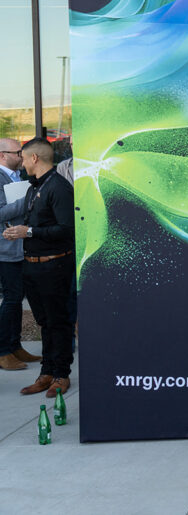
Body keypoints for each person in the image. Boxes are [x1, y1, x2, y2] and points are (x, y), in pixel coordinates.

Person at [1, 138, 74, 397]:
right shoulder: (33, 187)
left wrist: (28, 231)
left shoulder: (59, 187)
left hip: (54, 266)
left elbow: (67, 229)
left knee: (58, 322)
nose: (21, 162)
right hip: (32, 267)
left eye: (23, 157)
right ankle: (46, 372)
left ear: (34, 159)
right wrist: (20, 233)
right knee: (44, 323)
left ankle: (61, 374)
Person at [0, 139, 41, 371]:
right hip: (5, 250)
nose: (22, 155)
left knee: (17, 299)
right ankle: (3, 350)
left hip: (21, 247)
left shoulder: (19, 177)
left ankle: (15, 346)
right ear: (2, 155)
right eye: (18, 152)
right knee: (12, 298)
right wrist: (27, 200)